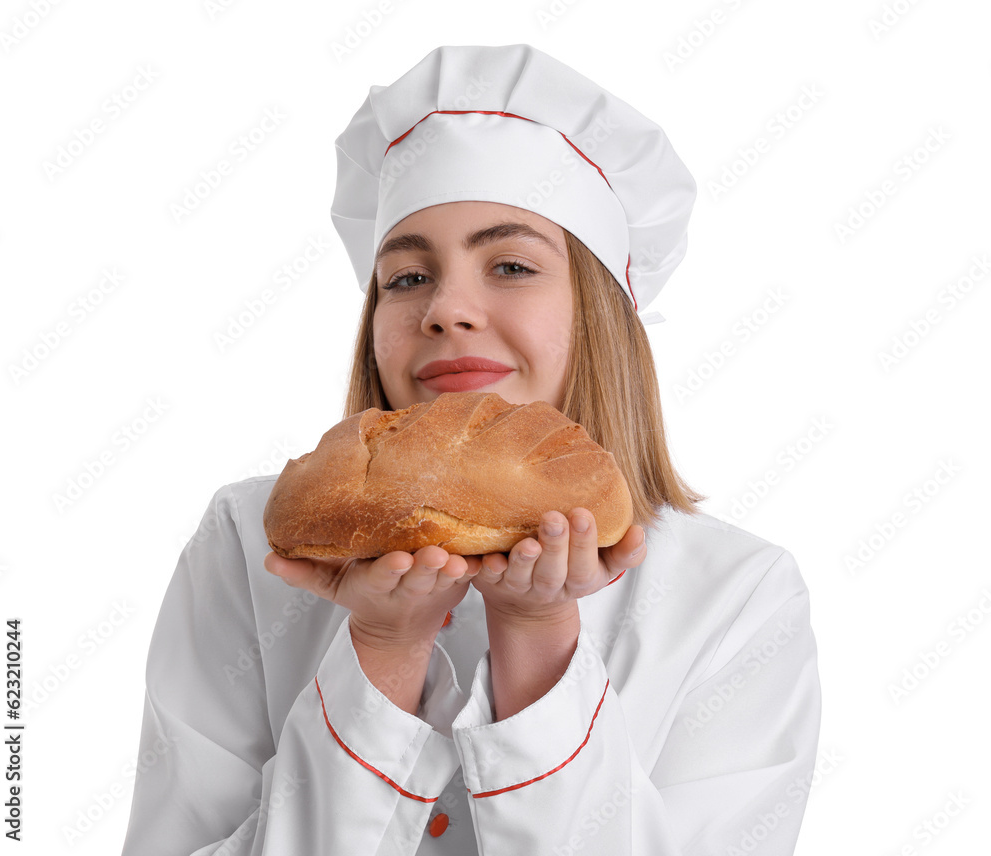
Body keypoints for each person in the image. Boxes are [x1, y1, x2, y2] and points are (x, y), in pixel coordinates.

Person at [121, 44, 821, 855]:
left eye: (512, 265)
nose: (447, 309)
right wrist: (384, 652)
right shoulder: (250, 545)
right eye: (407, 278)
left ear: (599, 314)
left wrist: (539, 632)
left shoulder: (735, 597)